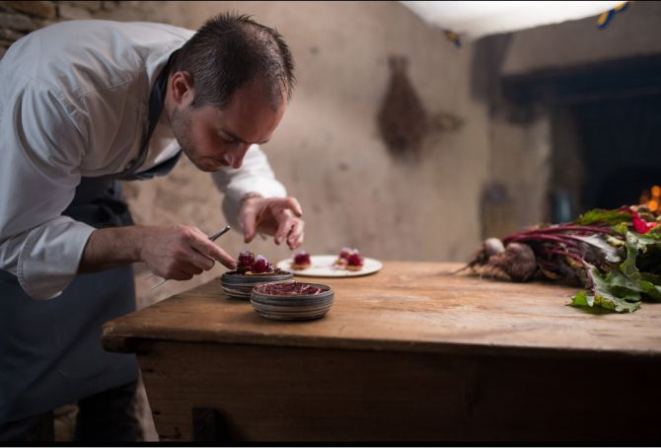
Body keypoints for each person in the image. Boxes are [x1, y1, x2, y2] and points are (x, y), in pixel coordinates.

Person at [0, 13, 304, 441]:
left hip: (94, 205)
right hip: (16, 214)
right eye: (228, 138)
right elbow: (16, 240)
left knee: (113, 380)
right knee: (21, 406)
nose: (237, 157)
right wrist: (141, 241)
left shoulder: (212, 67)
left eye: (252, 142)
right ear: (180, 88)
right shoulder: (56, 90)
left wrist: (256, 196)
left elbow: (243, 152)